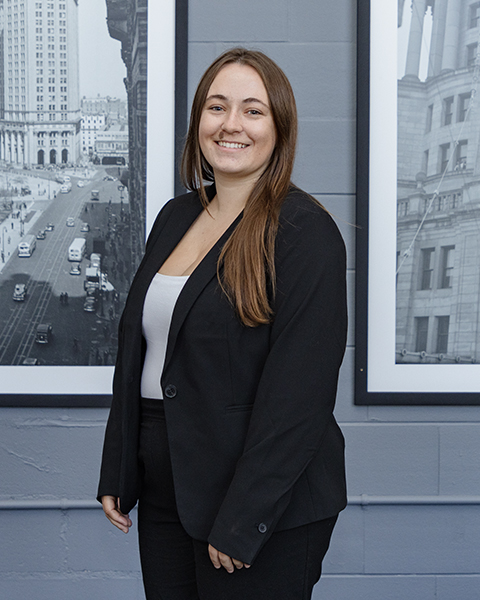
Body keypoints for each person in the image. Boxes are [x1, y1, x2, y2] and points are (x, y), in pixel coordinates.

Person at [98, 47, 347, 600]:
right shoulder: (175, 216)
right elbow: (142, 350)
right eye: (217, 107)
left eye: (253, 111)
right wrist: (119, 466)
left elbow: (299, 398)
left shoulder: (305, 233)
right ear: (199, 123)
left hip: (259, 506)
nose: (231, 124)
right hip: (170, 491)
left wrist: (244, 518)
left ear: (280, 127)